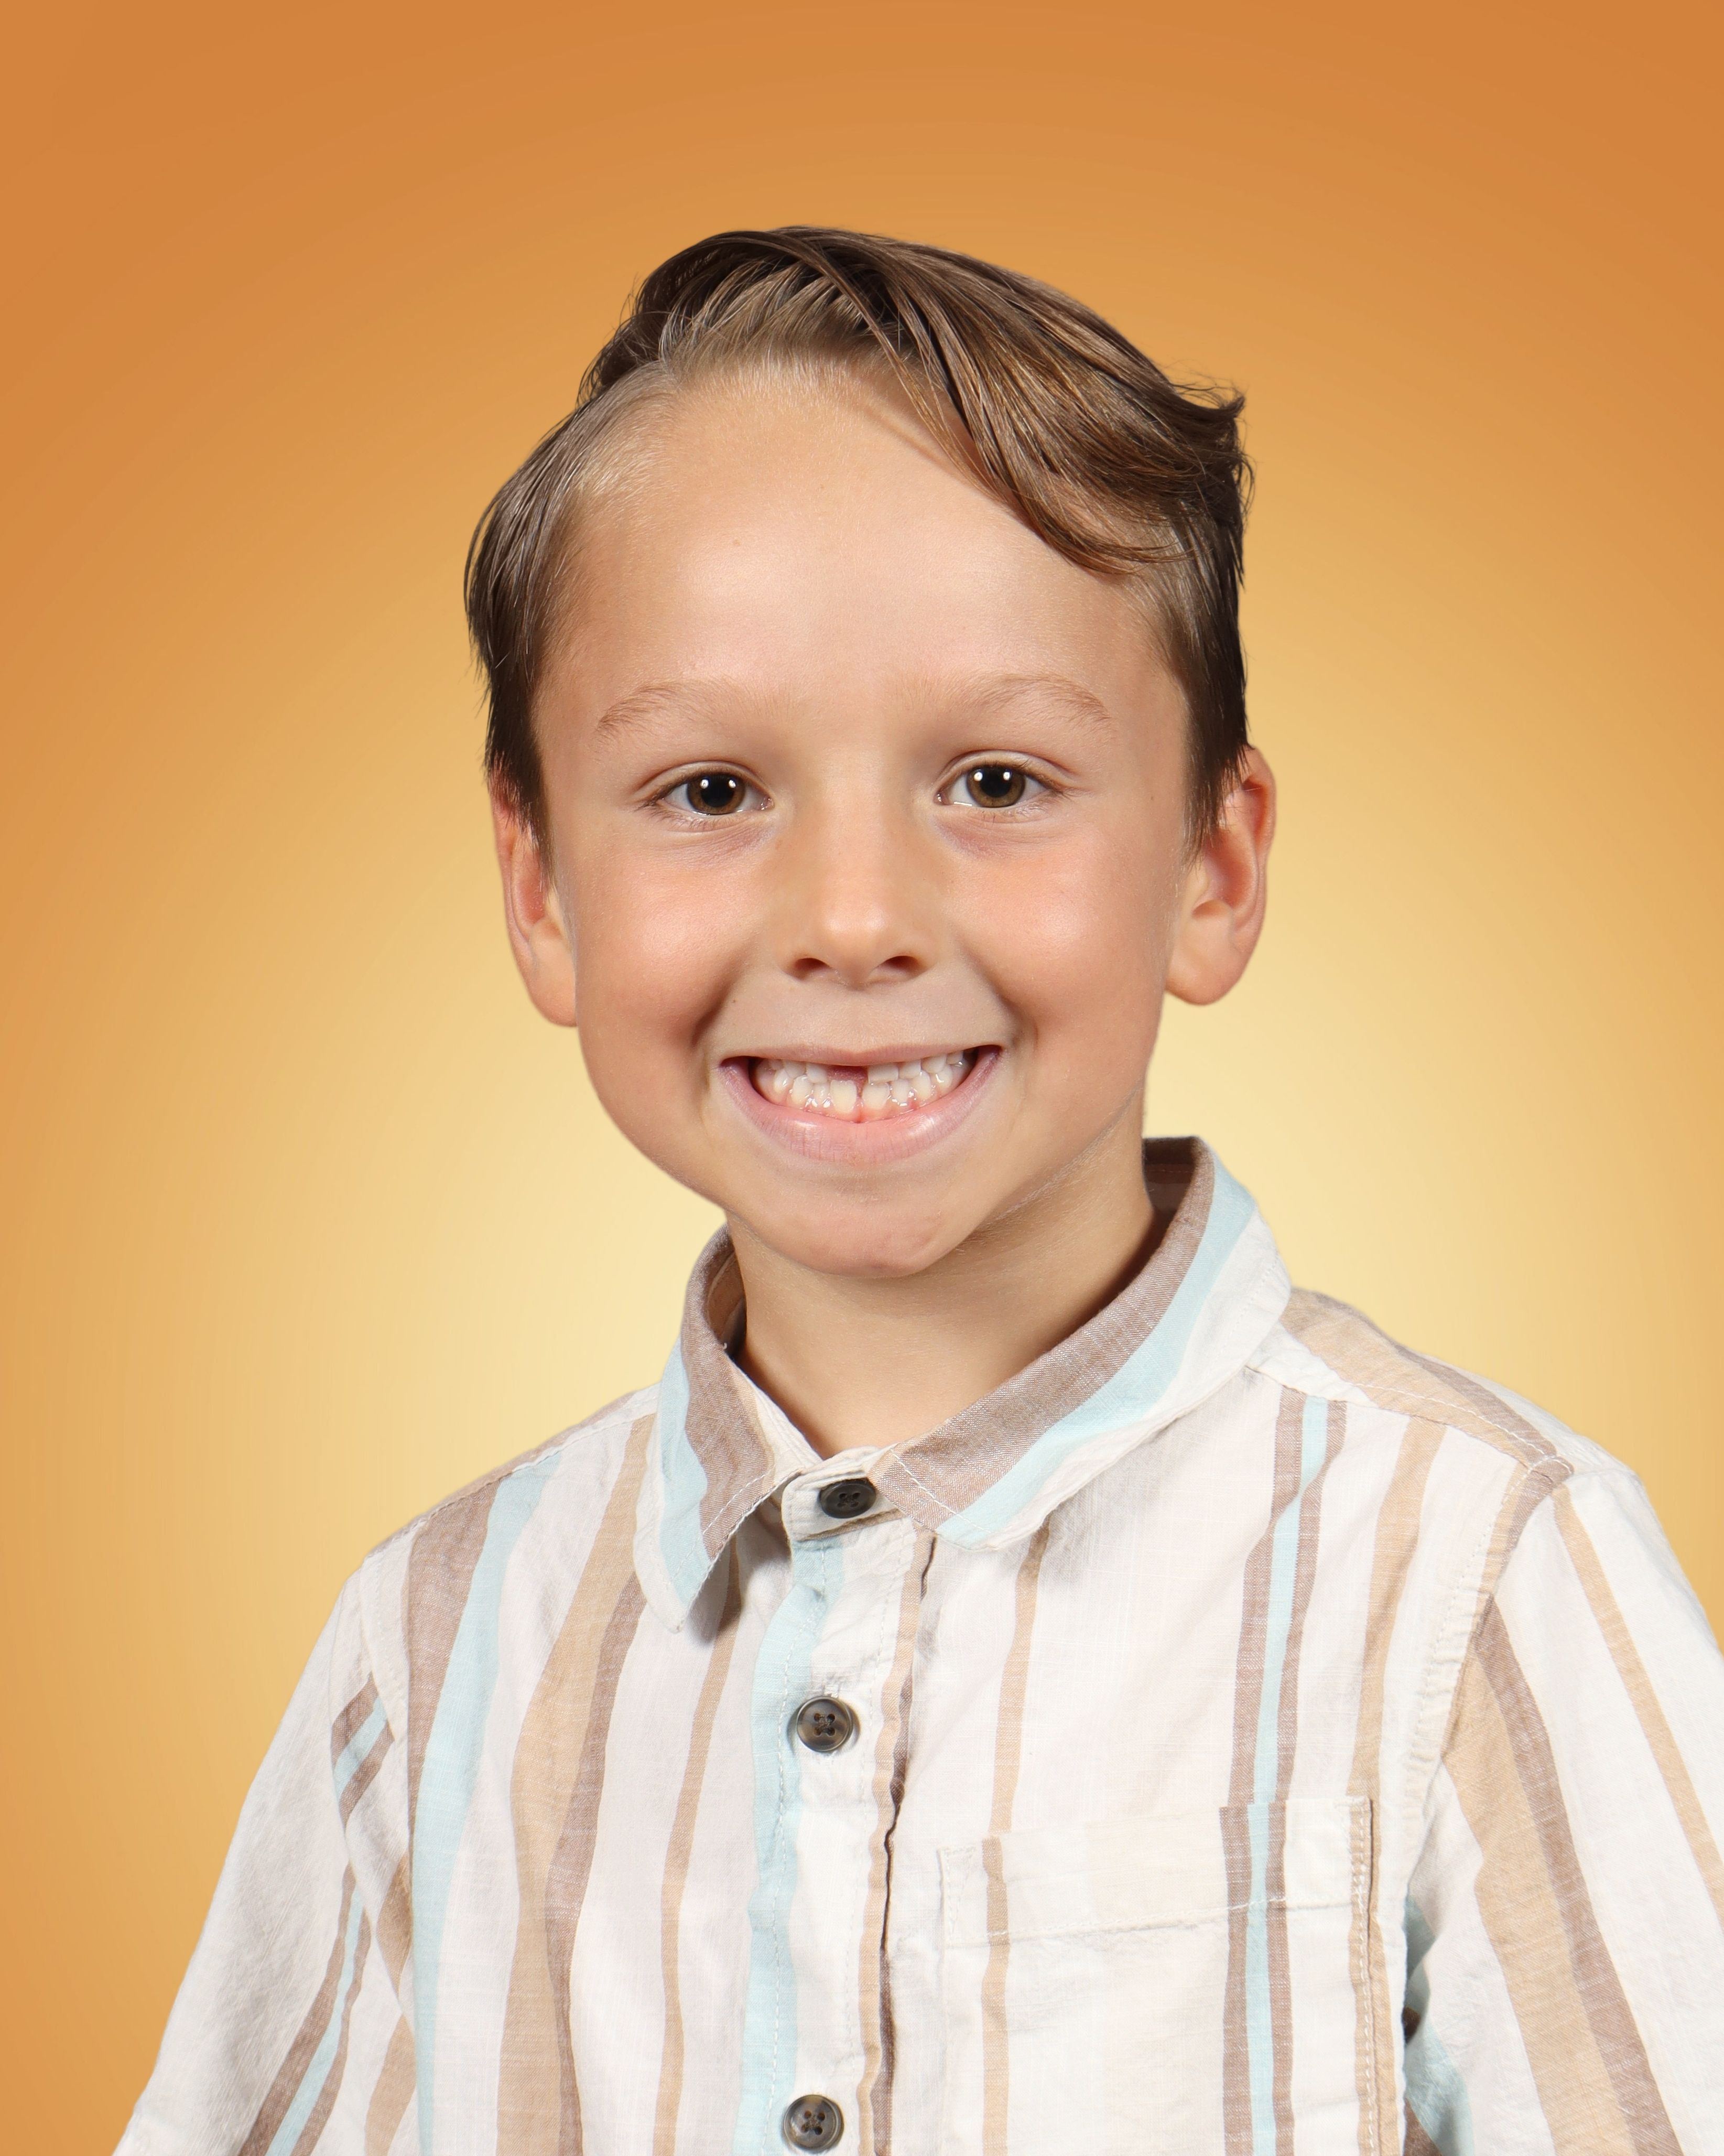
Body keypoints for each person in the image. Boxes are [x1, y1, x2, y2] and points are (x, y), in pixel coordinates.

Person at [117, 229, 1724, 2156]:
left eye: (996, 780)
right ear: (541, 892)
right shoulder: (436, 1643)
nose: (854, 921)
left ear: (1210, 870)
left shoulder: (1468, 1572)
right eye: (711, 792)